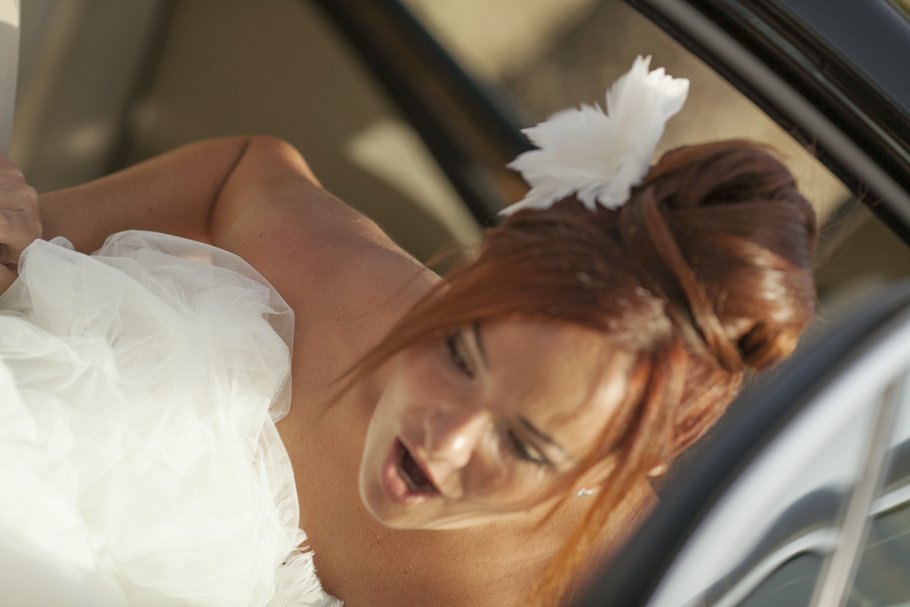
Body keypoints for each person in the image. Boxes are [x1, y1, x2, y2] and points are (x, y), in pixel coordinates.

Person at [0, 58, 816, 606]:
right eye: (459, 351)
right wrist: (36, 243)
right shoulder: (353, 291)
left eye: (526, 443)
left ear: (615, 473)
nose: (446, 437)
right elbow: (247, 168)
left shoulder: (617, 581)